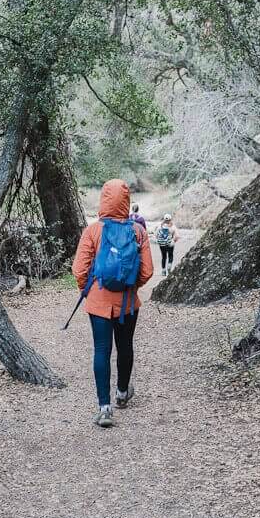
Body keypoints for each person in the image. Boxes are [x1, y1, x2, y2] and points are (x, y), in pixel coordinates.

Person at [73, 179, 153, 428]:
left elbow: (79, 270)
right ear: (126, 201)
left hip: (98, 302)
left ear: (103, 199)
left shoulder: (93, 231)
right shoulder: (138, 231)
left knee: (101, 350)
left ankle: (104, 409)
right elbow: (148, 270)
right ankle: (121, 394)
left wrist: (89, 291)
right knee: (125, 346)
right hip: (128, 303)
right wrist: (132, 286)